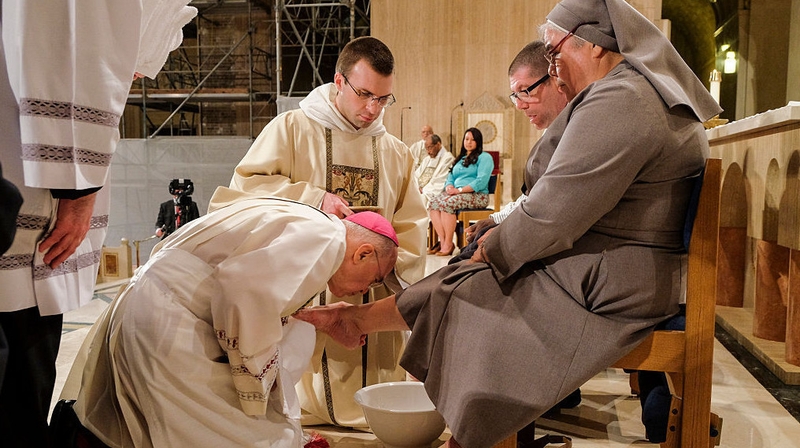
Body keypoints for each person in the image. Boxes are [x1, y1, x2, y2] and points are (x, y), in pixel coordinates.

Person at [296, 0, 723, 445]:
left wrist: (495, 246)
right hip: (617, 264)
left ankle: (473, 433)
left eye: (555, 53)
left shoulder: (624, 98)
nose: (555, 70)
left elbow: (553, 214)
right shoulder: (628, 91)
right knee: (467, 276)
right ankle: (364, 326)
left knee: (474, 292)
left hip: (615, 281)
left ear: (595, 46)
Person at [0, 2, 196, 447]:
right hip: (30, 194)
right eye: (132, 71)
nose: (132, 82)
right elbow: (73, 39)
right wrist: (76, 184)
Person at [208, 36, 428, 427]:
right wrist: (311, 198)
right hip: (301, 297)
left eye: (383, 99)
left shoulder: (396, 152)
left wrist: (382, 269)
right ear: (339, 82)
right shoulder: (292, 128)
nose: (372, 109)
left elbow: (411, 228)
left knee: (375, 410)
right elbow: (241, 193)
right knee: (295, 405)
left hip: (369, 300)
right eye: (364, 95)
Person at [65, 201, 398, 448]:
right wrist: (260, 381)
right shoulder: (328, 239)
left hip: (163, 307)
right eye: (374, 279)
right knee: (222, 432)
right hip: (170, 318)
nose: (364, 291)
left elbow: (255, 291)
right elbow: (243, 291)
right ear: (363, 253)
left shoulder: (315, 225)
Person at [456, 40, 568, 261]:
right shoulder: (551, 132)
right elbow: (532, 195)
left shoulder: (577, 131)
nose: (519, 105)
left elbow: (552, 209)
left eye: (525, 91)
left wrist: (503, 234)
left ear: (555, 77)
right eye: (515, 95)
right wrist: (496, 218)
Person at [427, 127, 493, 256]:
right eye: (467, 139)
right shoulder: (461, 158)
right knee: (433, 203)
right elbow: (450, 177)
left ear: (478, 142)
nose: (469, 142)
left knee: (448, 204)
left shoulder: (485, 157)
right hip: (457, 194)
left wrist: (460, 190)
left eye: (473, 140)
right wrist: (449, 187)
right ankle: (445, 241)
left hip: (477, 195)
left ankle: (447, 244)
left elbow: (481, 181)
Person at [416, 134, 455, 209]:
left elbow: (439, 181)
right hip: (420, 191)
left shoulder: (448, 159)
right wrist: (416, 188)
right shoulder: (427, 160)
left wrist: (423, 190)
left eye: (429, 148)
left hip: (429, 193)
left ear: (438, 144)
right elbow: (416, 175)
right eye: (426, 149)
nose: (428, 152)